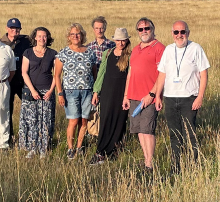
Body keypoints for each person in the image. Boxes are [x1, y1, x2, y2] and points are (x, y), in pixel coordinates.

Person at [155, 20, 210, 174]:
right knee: (174, 134)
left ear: (188, 33)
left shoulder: (196, 48)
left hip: (189, 98)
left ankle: (194, 165)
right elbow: (162, 74)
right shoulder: (168, 50)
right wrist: (158, 96)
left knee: (190, 133)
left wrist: (200, 97)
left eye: (182, 32)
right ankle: (176, 166)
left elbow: (204, 74)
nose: (180, 35)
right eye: (176, 32)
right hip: (170, 97)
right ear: (172, 34)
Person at [122, 17, 165, 171]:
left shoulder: (159, 48)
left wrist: (153, 95)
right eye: (141, 29)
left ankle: (150, 163)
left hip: (149, 97)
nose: (144, 31)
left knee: (148, 129)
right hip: (134, 96)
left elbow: (162, 74)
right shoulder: (135, 49)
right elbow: (130, 73)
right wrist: (126, 95)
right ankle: (146, 159)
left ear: (153, 30)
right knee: (139, 130)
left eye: (147, 28)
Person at [54, 23, 98, 160]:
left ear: (82, 36)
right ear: (69, 37)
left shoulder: (90, 52)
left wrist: (96, 92)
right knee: (73, 121)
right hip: (70, 92)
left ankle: (80, 147)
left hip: (87, 92)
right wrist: (60, 93)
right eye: (72, 34)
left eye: (78, 34)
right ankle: (70, 148)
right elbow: (57, 75)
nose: (75, 36)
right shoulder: (63, 53)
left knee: (84, 122)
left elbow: (94, 73)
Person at [89, 28, 132, 165]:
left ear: (127, 40)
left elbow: (132, 76)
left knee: (120, 121)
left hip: (122, 92)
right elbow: (101, 73)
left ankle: (114, 151)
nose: (120, 42)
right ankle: (100, 151)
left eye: (123, 40)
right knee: (106, 119)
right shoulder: (107, 53)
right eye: (118, 40)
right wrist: (96, 92)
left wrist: (128, 95)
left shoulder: (130, 55)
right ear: (114, 40)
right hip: (107, 91)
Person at [18, 27, 57, 159]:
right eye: (39, 36)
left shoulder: (53, 53)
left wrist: (51, 91)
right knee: (31, 120)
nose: (42, 39)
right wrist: (33, 90)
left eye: (44, 36)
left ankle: (43, 149)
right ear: (35, 37)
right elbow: (24, 72)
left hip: (47, 91)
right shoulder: (28, 52)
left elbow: (56, 74)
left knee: (45, 121)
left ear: (48, 38)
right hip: (31, 92)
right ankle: (32, 147)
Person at [1, 18, 31, 146]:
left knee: (29, 108)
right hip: (7, 82)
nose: (15, 31)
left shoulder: (26, 41)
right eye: (12, 29)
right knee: (7, 110)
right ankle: (9, 138)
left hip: (23, 81)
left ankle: (28, 137)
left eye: (17, 29)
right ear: (7, 29)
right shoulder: (1, 43)